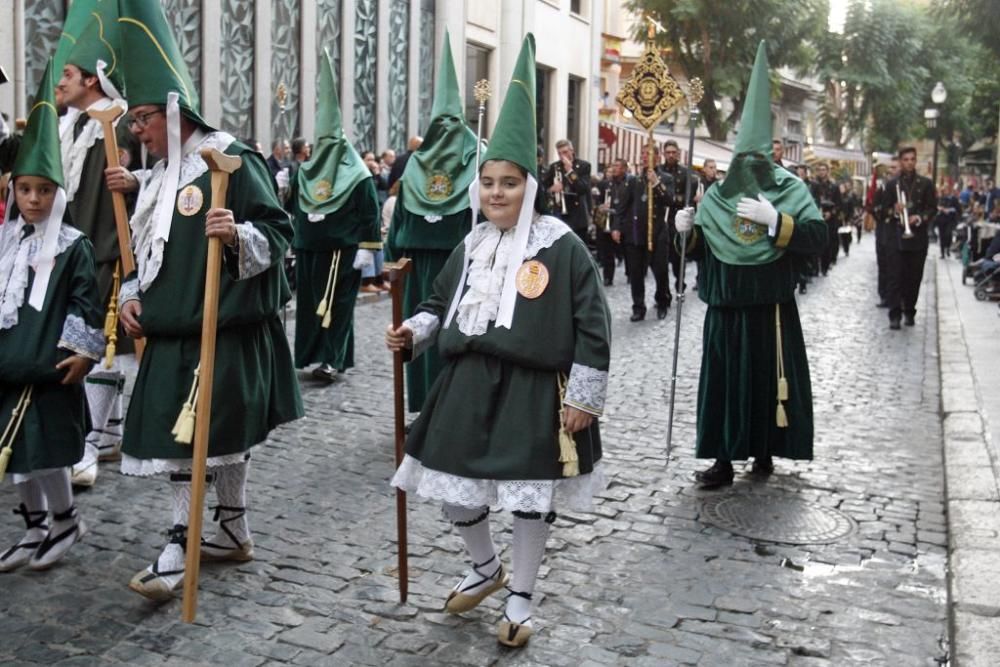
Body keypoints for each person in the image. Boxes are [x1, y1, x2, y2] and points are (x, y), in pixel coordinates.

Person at [386, 35, 611, 648]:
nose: (496, 193)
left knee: (529, 496)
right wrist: (414, 331)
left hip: (535, 388)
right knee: (448, 482)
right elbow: (439, 304)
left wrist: (585, 397)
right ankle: (486, 567)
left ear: (530, 186)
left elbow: (594, 323)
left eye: (509, 183)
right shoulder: (472, 243)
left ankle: (520, 596)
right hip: (463, 382)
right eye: (487, 183)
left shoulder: (560, 246)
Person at [110, 0, 303, 599]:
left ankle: (189, 541)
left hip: (226, 330)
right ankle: (221, 533)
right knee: (184, 439)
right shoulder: (161, 176)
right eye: (133, 122)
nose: (136, 131)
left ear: (174, 111)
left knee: (214, 439)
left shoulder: (231, 161)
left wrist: (238, 233)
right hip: (171, 331)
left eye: (142, 119)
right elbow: (151, 252)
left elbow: (279, 234)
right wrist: (132, 291)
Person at [674, 41, 826, 489]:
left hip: (770, 307)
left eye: (760, 159)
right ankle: (722, 459)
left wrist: (778, 220)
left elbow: (816, 238)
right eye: (746, 158)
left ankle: (764, 450)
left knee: (765, 381)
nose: (752, 166)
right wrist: (686, 230)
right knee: (721, 385)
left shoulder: (791, 188)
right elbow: (702, 248)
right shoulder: (718, 194)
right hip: (725, 306)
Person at [0, 62, 103, 573]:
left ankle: (64, 519)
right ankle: (34, 525)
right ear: (13, 192)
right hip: (7, 363)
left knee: (44, 451)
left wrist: (81, 351)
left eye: (44, 190)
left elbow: (86, 302)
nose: (34, 200)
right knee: (14, 456)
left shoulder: (72, 246)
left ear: (57, 193)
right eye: (25, 190)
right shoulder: (6, 242)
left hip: (48, 365)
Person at [385, 32, 475, 412]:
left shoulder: (463, 161)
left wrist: (391, 256)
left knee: (451, 333)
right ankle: (430, 405)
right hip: (427, 266)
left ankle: (443, 406)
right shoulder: (470, 158)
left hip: (460, 266)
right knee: (420, 332)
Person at [289, 51, 382, 382]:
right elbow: (294, 206)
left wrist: (368, 249)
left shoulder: (357, 173)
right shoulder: (306, 171)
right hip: (310, 250)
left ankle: (332, 358)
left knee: (337, 308)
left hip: (343, 252)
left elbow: (369, 214)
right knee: (310, 306)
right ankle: (312, 354)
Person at [613, 143, 674, 321]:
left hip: (657, 232)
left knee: (661, 271)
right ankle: (638, 306)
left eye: (649, 155)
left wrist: (656, 183)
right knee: (635, 273)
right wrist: (617, 226)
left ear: (657, 157)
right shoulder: (633, 181)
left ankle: (662, 301)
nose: (646, 158)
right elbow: (622, 206)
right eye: (643, 155)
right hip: (635, 233)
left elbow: (669, 200)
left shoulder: (666, 178)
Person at [882, 147, 936, 329]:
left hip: (917, 238)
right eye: (905, 159)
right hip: (896, 237)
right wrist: (893, 210)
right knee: (894, 277)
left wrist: (919, 217)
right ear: (900, 161)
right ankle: (894, 314)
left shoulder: (926, 184)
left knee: (913, 278)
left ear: (916, 161)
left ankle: (909, 310)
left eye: (912, 159)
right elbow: (881, 211)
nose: (909, 162)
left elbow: (932, 208)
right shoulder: (891, 185)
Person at [661, 139, 700, 289]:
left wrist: (674, 198)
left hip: (678, 218)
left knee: (678, 255)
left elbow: (689, 197)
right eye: (668, 152)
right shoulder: (659, 171)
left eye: (673, 152)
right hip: (662, 217)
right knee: (662, 258)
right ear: (664, 154)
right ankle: (663, 290)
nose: (671, 155)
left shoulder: (685, 173)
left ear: (678, 154)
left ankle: (680, 281)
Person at [593, 157, 634, 286]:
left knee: (626, 250)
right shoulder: (605, 184)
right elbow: (597, 202)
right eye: (614, 165)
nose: (615, 168)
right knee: (607, 251)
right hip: (608, 220)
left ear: (625, 169)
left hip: (624, 221)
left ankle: (630, 274)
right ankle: (608, 276)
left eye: (619, 166)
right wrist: (601, 206)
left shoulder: (630, 183)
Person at [543, 139, 592, 243]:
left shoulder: (584, 166)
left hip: (577, 216)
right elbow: (542, 187)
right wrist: (552, 188)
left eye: (565, 152)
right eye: (559, 153)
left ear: (572, 151)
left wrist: (570, 171)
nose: (562, 156)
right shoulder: (554, 167)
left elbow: (583, 189)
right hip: (560, 214)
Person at [873, 157, 900, 307]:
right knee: (883, 265)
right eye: (890, 169)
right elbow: (874, 208)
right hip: (883, 231)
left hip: (898, 232)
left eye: (894, 168)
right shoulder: (881, 190)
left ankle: (896, 297)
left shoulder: (904, 188)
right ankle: (884, 295)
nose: (890, 171)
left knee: (896, 268)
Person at [810, 162, 843, 274]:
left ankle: (825, 266)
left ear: (828, 171)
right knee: (815, 242)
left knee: (828, 243)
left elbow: (839, 204)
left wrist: (831, 214)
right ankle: (814, 267)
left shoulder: (834, 186)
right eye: (819, 169)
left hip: (830, 219)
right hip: (816, 216)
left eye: (824, 169)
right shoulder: (813, 185)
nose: (821, 172)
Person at [935, 183, 961, 259]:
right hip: (941, 219)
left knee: (948, 234)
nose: (945, 191)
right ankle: (942, 253)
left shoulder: (953, 199)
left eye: (947, 189)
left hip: (950, 220)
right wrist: (941, 209)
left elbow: (958, 209)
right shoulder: (940, 198)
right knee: (941, 236)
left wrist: (949, 210)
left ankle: (948, 248)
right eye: (944, 190)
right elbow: (935, 206)